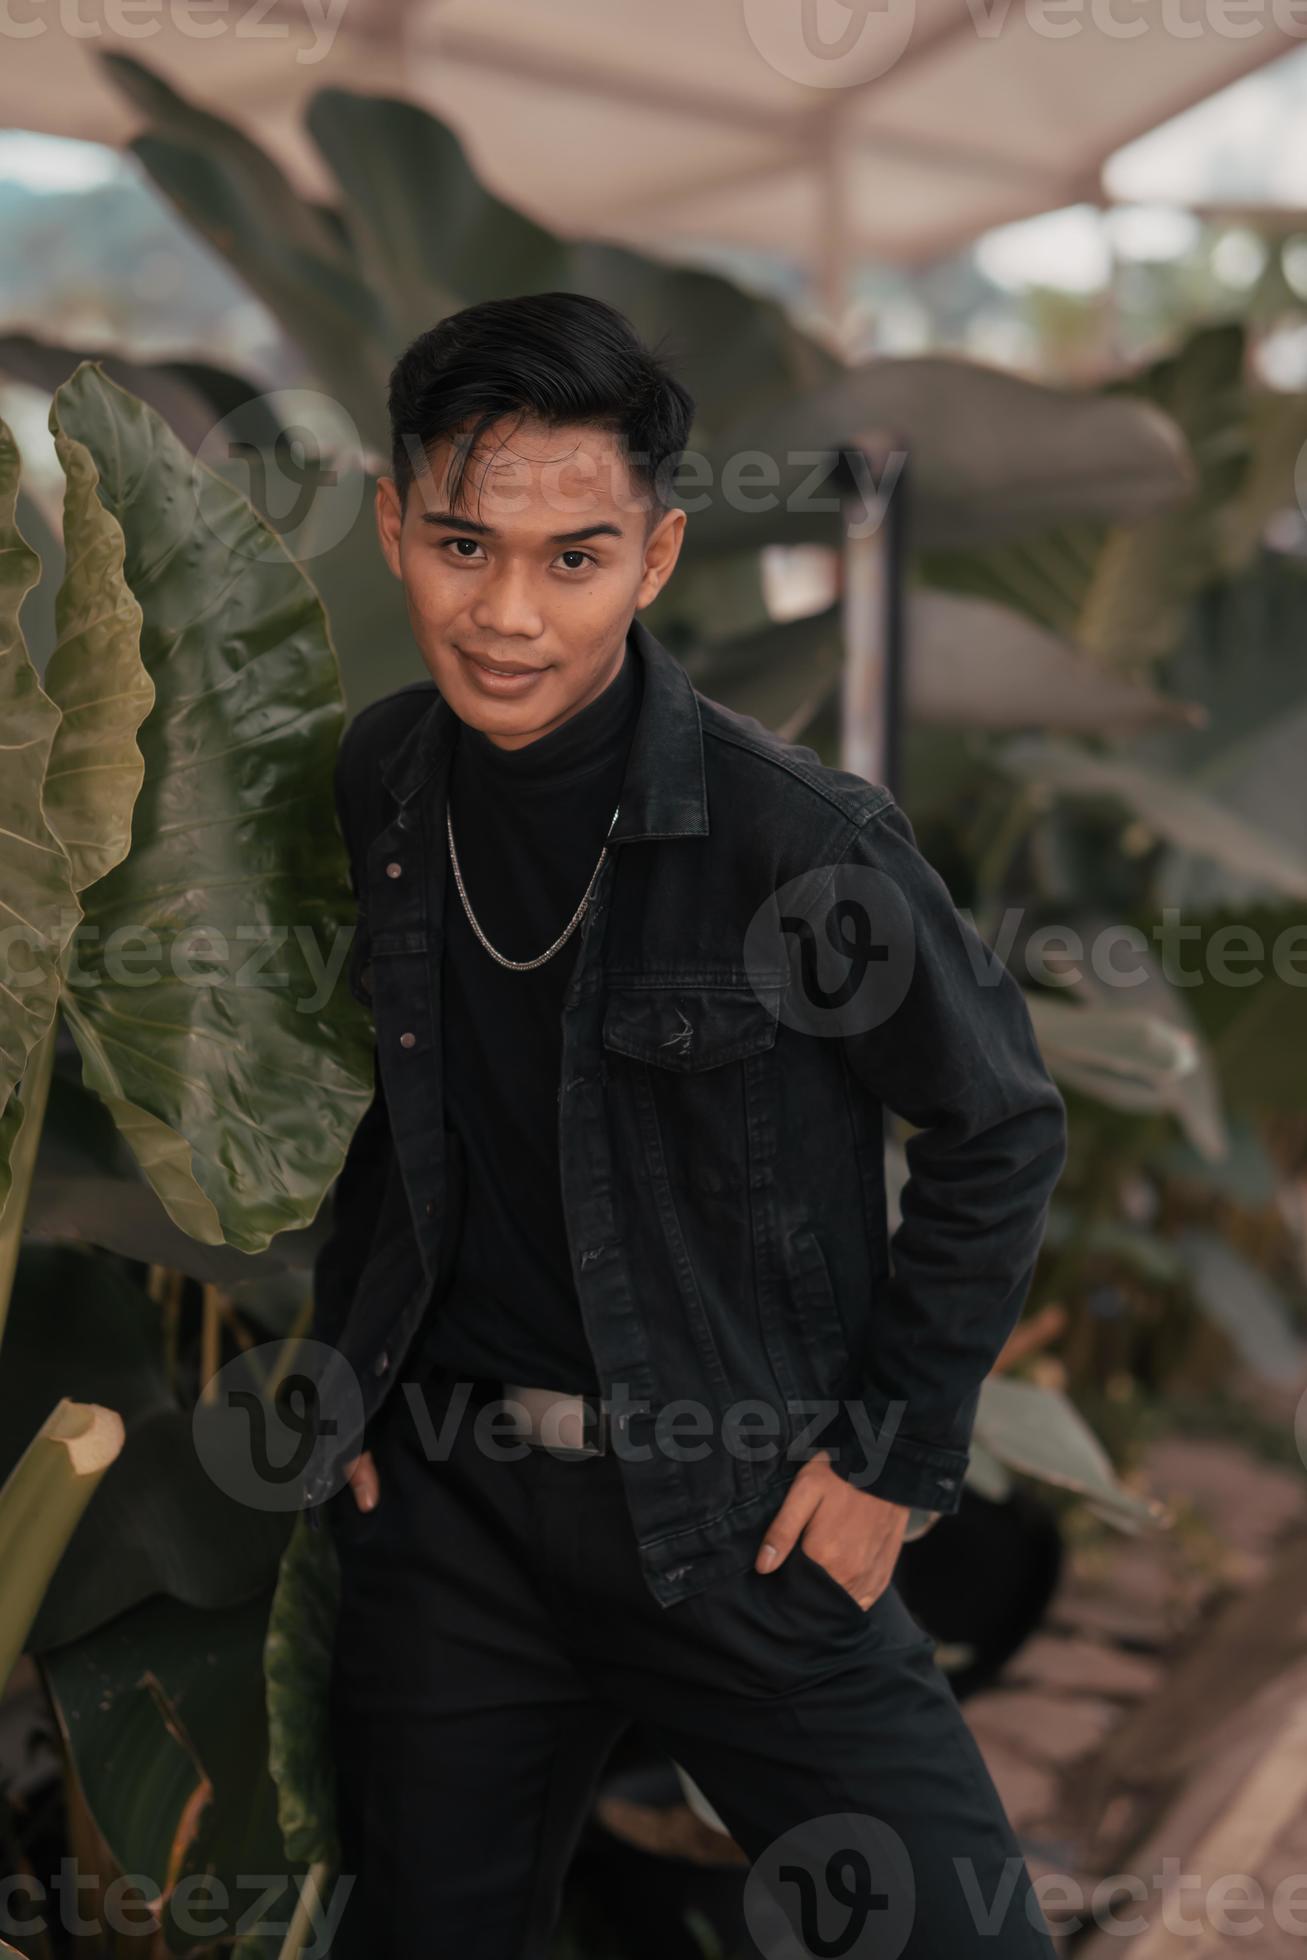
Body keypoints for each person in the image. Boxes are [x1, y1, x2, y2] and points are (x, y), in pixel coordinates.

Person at [307, 290, 1068, 1958]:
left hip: (732, 1506)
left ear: (652, 562)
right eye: (461, 545)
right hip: (454, 1521)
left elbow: (999, 1127)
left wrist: (887, 1463)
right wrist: (344, 1367)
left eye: (573, 558)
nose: (508, 614)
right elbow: (398, 1092)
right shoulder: (384, 783)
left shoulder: (792, 843)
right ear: (393, 529)